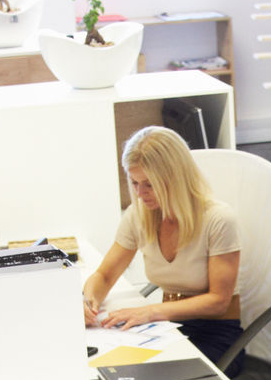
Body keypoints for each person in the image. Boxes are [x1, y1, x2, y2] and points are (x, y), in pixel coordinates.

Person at [82, 126, 247, 363]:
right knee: (109, 366)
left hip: (215, 334)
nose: (140, 193)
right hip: (166, 326)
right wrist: (88, 302)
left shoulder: (218, 219)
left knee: (147, 379)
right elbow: (105, 275)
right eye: (135, 183)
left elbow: (218, 301)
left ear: (175, 178)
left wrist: (150, 312)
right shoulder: (138, 216)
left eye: (149, 184)